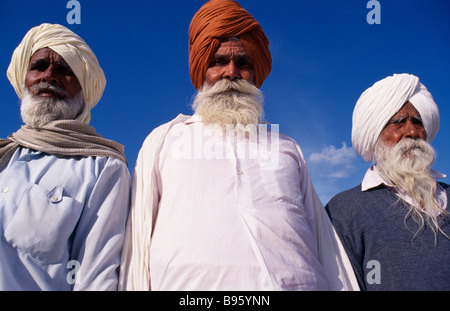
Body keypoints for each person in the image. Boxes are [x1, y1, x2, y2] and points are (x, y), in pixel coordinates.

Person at [119, 0, 358, 291]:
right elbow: (138, 241)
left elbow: (325, 245)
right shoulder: (165, 140)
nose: (231, 72)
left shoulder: (286, 148)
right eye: (218, 62)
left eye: (243, 63)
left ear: (256, 75)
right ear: (201, 73)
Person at [0, 23, 131, 290]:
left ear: (84, 89)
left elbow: (96, 278)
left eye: (64, 70)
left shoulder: (102, 167)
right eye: (38, 66)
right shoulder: (5, 155)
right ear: (23, 78)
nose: (49, 76)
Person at [326, 73, 450, 291]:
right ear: (375, 135)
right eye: (398, 122)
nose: (412, 132)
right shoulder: (343, 210)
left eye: (418, 122)